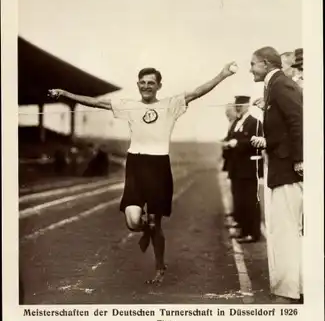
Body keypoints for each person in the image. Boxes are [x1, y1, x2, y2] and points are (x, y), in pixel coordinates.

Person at [48, 62, 237, 284]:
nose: (146, 86)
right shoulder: (129, 106)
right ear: (138, 84)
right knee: (132, 221)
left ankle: (160, 267)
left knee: (157, 224)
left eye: (151, 83)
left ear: (159, 86)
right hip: (136, 165)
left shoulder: (171, 104)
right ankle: (147, 229)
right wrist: (65, 93)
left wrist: (222, 74)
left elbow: (198, 91)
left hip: (158, 166)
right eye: (143, 83)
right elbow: (97, 102)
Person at [250, 46, 303, 303]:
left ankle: (288, 292)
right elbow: (283, 127)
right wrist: (266, 140)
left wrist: (300, 159)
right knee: (287, 229)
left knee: (285, 230)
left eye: (253, 64)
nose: (251, 69)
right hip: (282, 166)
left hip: (287, 170)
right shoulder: (274, 87)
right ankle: (293, 288)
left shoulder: (281, 85)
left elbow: (298, 120)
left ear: (266, 64)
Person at [222, 96, 263, 243]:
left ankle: (253, 233)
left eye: (241, 105)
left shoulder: (254, 122)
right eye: (236, 105)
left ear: (247, 105)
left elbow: (257, 142)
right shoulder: (237, 123)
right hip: (237, 169)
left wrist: (237, 143)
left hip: (249, 169)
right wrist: (227, 145)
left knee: (251, 202)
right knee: (240, 201)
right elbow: (230, 140)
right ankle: (245, 231)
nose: (238, 108)